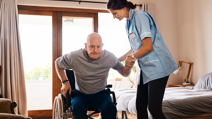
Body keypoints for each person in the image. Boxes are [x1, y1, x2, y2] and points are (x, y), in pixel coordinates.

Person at [107, 0, 178, 119]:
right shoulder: (128, 23)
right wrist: (116, 60)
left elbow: (147, 46)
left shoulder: (140, 16)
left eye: (114, 13)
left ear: (124, 7)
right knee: (140, 105)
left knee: (154, 108)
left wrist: (133, 57)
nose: (114, 17)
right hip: (146, 69)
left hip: (158, 67)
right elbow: (136, 48)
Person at [55, 32, 135, 119]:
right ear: (86, 46)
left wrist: (128, 67)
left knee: (110, 109)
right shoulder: (75, 56)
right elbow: (58, 63)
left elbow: (124, 73)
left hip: (101, 94)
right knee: (77, 109)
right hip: (81, 94)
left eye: (98, 46)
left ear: (102, 46)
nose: (95, 50)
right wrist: (65, 82)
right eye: (92, 46)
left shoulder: (109, 57)